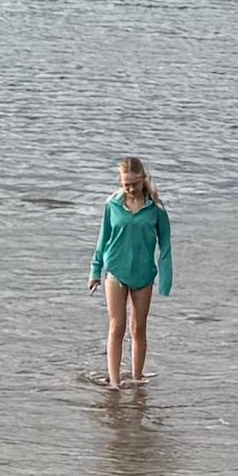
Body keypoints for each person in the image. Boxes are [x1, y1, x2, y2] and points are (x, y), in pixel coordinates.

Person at [91, 156, 174, 384]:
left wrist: (165, 279)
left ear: (143, 179)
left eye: (134, 184)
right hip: (115, 270)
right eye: (125, 184)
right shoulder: (113, 204)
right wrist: (95, 271)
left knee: (138, 328)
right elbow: (103, 239)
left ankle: (137, 378)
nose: (130, 188)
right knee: (116, 326)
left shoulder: (155, 208)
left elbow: (165, 245)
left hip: (143, 273)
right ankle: (114, 381)